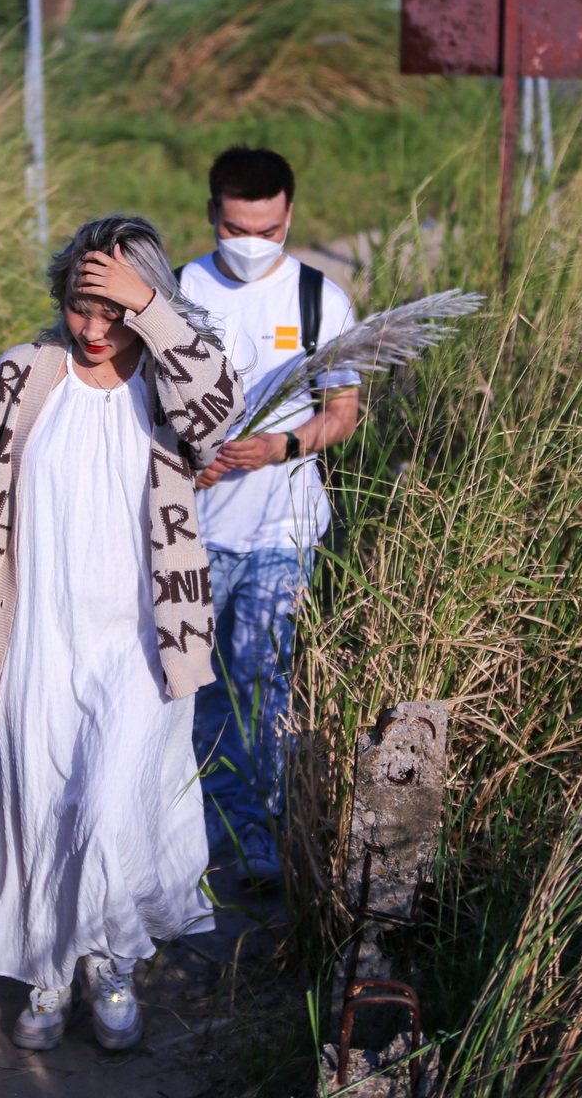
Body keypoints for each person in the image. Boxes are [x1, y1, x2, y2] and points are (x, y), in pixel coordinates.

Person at [0, 215, 244, 1054]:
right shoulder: (25, 373)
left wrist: (150, 306)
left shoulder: (171, 381)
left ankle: (110, 961)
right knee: (40, 808)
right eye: (78, 308)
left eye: (113, 313)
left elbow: (220, 414)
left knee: (110, 807)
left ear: (144, 304)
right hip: (33, 635)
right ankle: (48, 969)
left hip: (143, 639)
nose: (94, 331)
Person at [178, 146, 360, 887]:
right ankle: (202, 829)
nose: (252, 245)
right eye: (235, 228)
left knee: (263, 681)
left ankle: (263, 838)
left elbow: (343, 412)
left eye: (270, 230)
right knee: (190, 684)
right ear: (211, 216)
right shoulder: (181, 290)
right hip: (190, 532)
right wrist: (194, 456)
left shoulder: (322, 300)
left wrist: (282, 444)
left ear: (291, 217)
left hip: (282, 531)